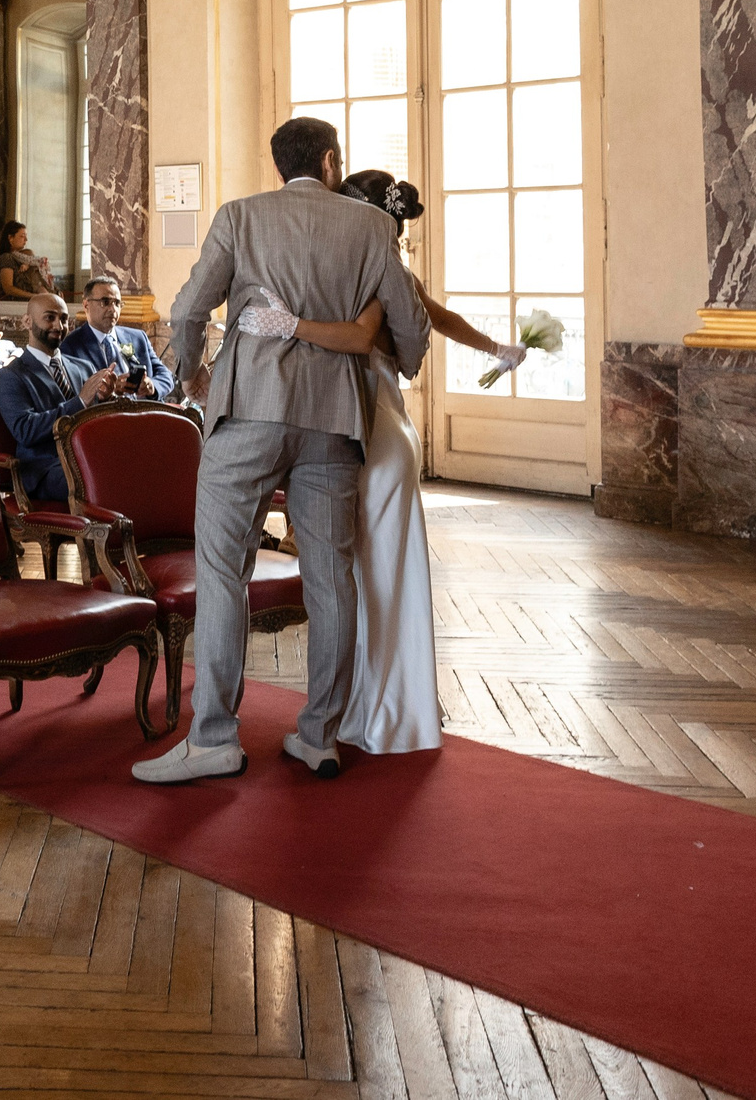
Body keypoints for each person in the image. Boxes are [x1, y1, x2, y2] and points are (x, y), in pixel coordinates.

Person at [136, 115, 427, 785]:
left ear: (280, 166)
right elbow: (409, 324)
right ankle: (318, 733)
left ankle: (213, 737)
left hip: (248, 410)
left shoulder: (241, 216)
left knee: (221, 571)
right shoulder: (373, 227)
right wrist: (401, 370)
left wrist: (193, 375)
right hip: (333, 419)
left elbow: (187, 310)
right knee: (331, 578)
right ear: (330, 161)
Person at [233, 168, 520, 757]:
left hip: (369, 431)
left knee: (362, 576)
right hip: (391, 426)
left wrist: (289, 325)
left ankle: (374, 710)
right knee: (377, 573)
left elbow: (362, 338)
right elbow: (435, 318)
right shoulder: (388, 269)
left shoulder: (359, 276)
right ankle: (391, 703)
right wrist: (497, 349)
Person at [0, 292, 125, 506]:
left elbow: (96, 422)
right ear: (27, 321)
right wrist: (80, 402)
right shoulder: (11, 376)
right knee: (108, 476)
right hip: (44, 470)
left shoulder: (83, 367)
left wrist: (104, 398)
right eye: (49, 318)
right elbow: (26, 430)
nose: (59, 325)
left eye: (64, 319)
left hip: (88, 456)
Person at [60, 275, 174, 398]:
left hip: (146, 411)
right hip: (106, 415)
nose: (113, 309)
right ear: (86, 305)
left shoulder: (137, 337)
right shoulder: (70, 346)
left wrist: (152, 386)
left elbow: (165, 375)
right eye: (105, 302)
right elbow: (75, 396)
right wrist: (110, 391)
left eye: (117, 303)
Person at [0, 222, 54, 300]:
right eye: (22, 236)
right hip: (13, 305)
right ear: (10, 238)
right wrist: (33, 296)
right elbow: (8, 288)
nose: (26, 240)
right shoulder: (6, 258)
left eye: (26, 236)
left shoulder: (26, 256)